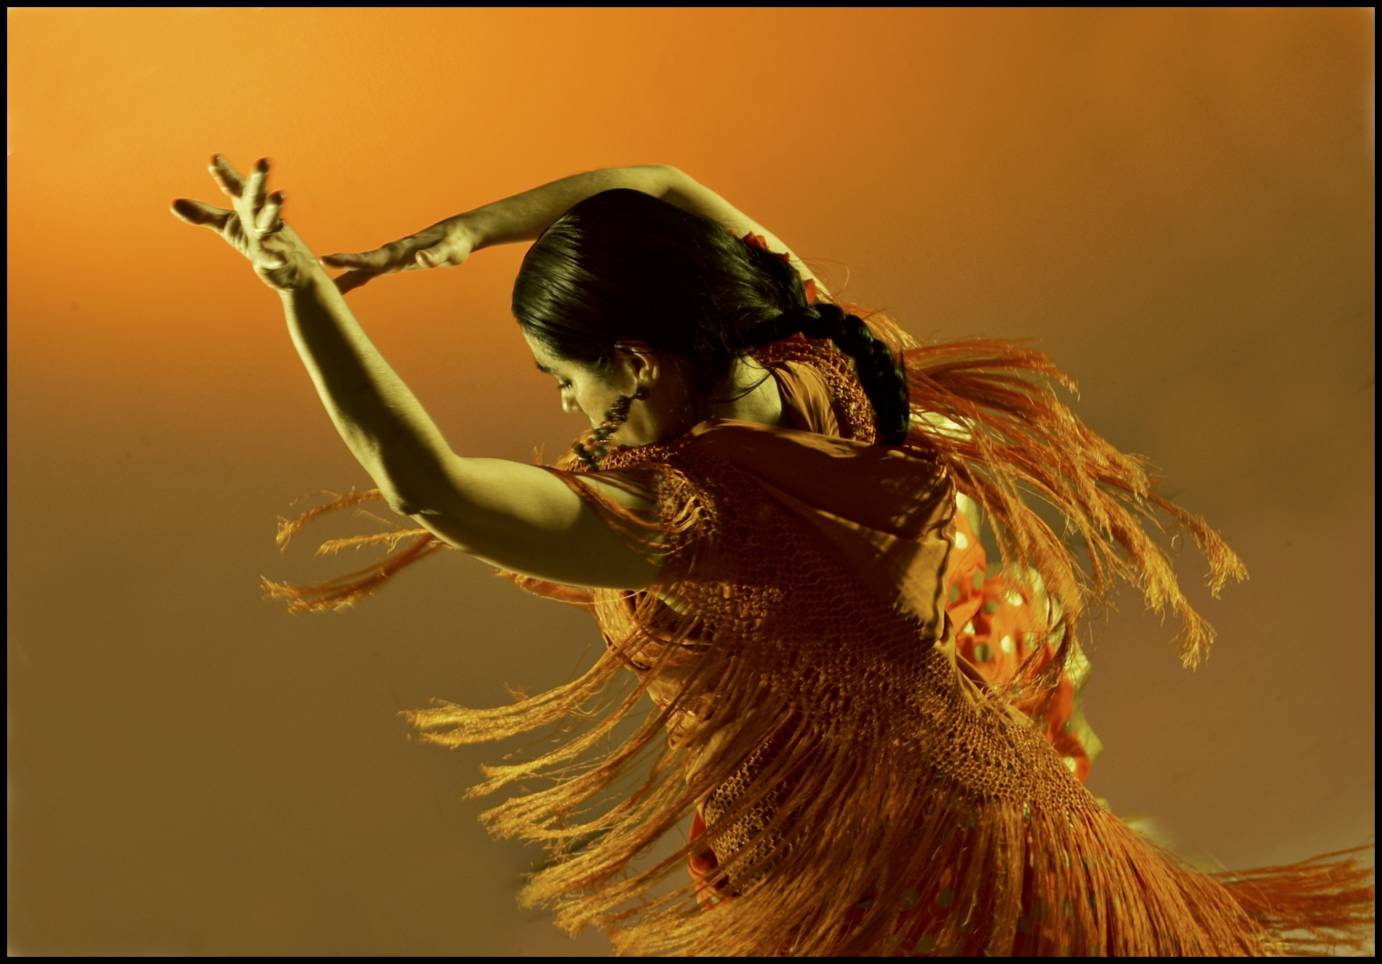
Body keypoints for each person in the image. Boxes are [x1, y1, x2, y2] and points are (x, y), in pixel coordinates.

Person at [171, 158, 1374, 956]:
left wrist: (300, 295)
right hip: (1001, 817)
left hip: (876, 881)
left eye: (567, 379)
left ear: (637, 359)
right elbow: (652, 179)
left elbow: (425, 483)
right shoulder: (832, 363)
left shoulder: (693, 517)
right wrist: (458, 237)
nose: (571, 416)